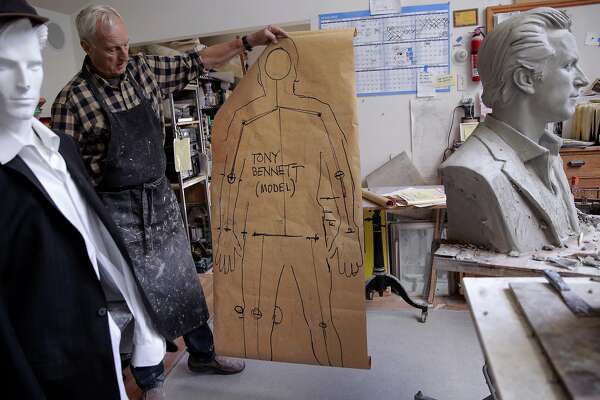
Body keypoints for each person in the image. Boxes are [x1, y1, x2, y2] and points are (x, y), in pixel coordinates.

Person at [51, 4, 288, 397]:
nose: (123, 55)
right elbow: (66, 177)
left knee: (183, 282)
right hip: (115, 212)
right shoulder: (71, 102)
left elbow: (198, 61)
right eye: (112, 49)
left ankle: (203, 353)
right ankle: (151, 380)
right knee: (138, 297)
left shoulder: (143, 71)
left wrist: (248, 41)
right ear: (86, 46)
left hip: (159, 199)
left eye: (125, 45)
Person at [0, 1, 165, 399]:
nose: (26, 83)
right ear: (87, 47)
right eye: (5, 66)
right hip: (57, 374)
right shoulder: (72, 101)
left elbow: (93, 241)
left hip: (102, 349)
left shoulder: (61, 150)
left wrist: (141, 327)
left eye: (34, 64)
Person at [440, 7, 589, 254]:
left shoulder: (549, 154)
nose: (582, 80)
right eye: (569, 66)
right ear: (525, 79)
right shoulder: (473, 170)